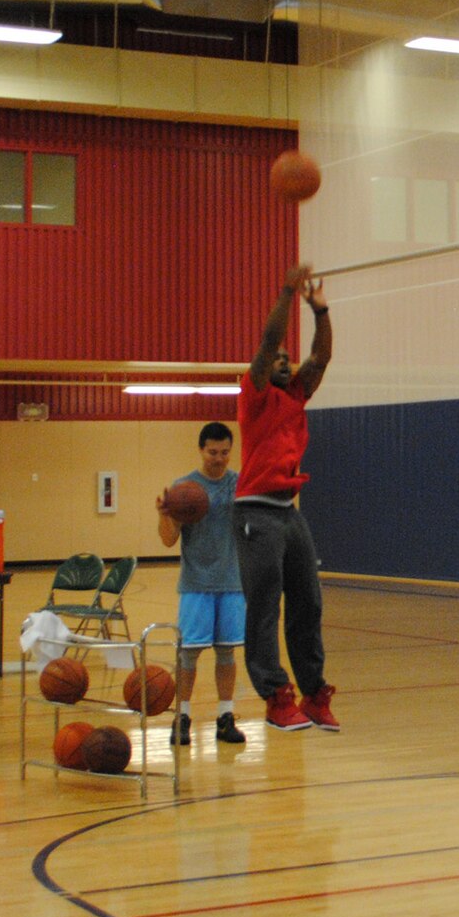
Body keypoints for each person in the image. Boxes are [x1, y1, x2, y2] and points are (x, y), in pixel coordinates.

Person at [236, 263, 337, 733]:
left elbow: (320, 359)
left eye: (286, 357)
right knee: (264, 605)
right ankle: (276, 696)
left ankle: (314, 694)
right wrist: (286, 292)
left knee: (308, 602)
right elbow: (267, 340)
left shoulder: (296, 395)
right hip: (256, 509)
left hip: (288, 511)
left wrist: (320, 311)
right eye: (276, 357)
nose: (283, 360)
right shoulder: (254, 394)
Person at [156, 422, 249, 747]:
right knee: (189, 655)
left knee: (227, 653)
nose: (219, 458)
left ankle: (225, 717)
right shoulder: (183, 488)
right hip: (196, 583)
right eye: (213, 452)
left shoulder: (240, 484)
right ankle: (181, 717)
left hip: (232, 582)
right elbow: (169, 540)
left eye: (225, 452)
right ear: (201, 449)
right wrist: (164, 514)